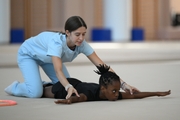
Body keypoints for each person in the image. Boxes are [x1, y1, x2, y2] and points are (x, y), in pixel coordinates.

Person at [5, 16, 139, 99]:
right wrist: (68, 86)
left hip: (48, 59)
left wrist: (123, 84)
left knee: (67, 84)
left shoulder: (82, 44)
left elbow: (102, 66)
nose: (81, 38)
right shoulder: (57, 43)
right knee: (35, 93)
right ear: (67, 33)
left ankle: (40, 83)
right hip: (29, 54)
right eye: (77, 34)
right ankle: (16, 87)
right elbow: (58, 70)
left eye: (84, 34)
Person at [42, 64, 171, 104]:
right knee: (40, 92)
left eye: (116, 90)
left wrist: (156, 93)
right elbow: (80, 98)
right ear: (103, 89)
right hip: (64, 88)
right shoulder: (90, 93)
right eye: (114, 91)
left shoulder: (110, 93)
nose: (116, 94)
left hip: (78, 84)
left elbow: (133, 95)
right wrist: (69, 101)